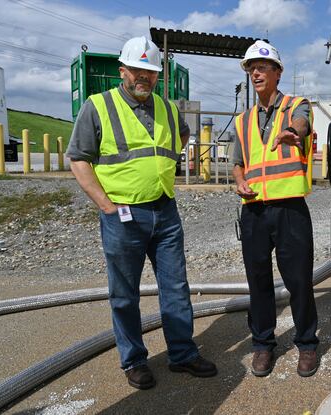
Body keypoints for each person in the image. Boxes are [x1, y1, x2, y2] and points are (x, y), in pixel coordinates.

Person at [66, 36, 217, 390]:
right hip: (122, 215)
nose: (143, 78)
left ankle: (182, 354)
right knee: (124, 293)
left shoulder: (166, 108)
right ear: (123, 71)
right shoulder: (97, 106)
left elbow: (181, 137)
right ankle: (134, 360)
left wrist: (160, 171)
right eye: (137, 70)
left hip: (164, 211)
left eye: (150, 72)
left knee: (176, 287)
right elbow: (78, 160)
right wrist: (106, 205)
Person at [232, 40, 319, 377]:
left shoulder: (298, 106)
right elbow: (238, 163)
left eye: (262, 67)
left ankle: (307, 344)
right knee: (258, 282)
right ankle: (263, 345)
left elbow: (302, 124)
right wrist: (239, 180)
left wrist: (293, 133)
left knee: (298, 280)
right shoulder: (242, 121)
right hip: (253, 209)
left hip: (289, 209)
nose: (255, 72)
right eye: (251, 67)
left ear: (277, 73)